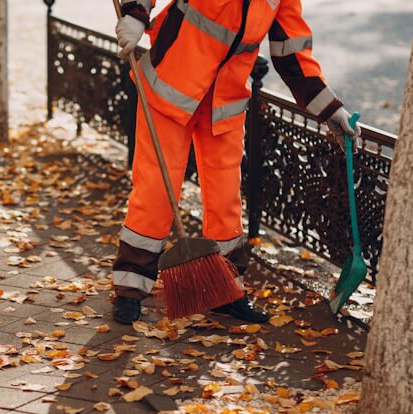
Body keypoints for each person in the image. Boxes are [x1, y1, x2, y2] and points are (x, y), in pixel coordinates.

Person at [111, 0, 361, 325]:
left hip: (223, 103)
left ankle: (225, 291)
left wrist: (331, 112)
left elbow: (292, 53)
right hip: (170, 88)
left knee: (225, 202)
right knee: (156, 193)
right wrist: (134, 13)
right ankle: (130, 290)